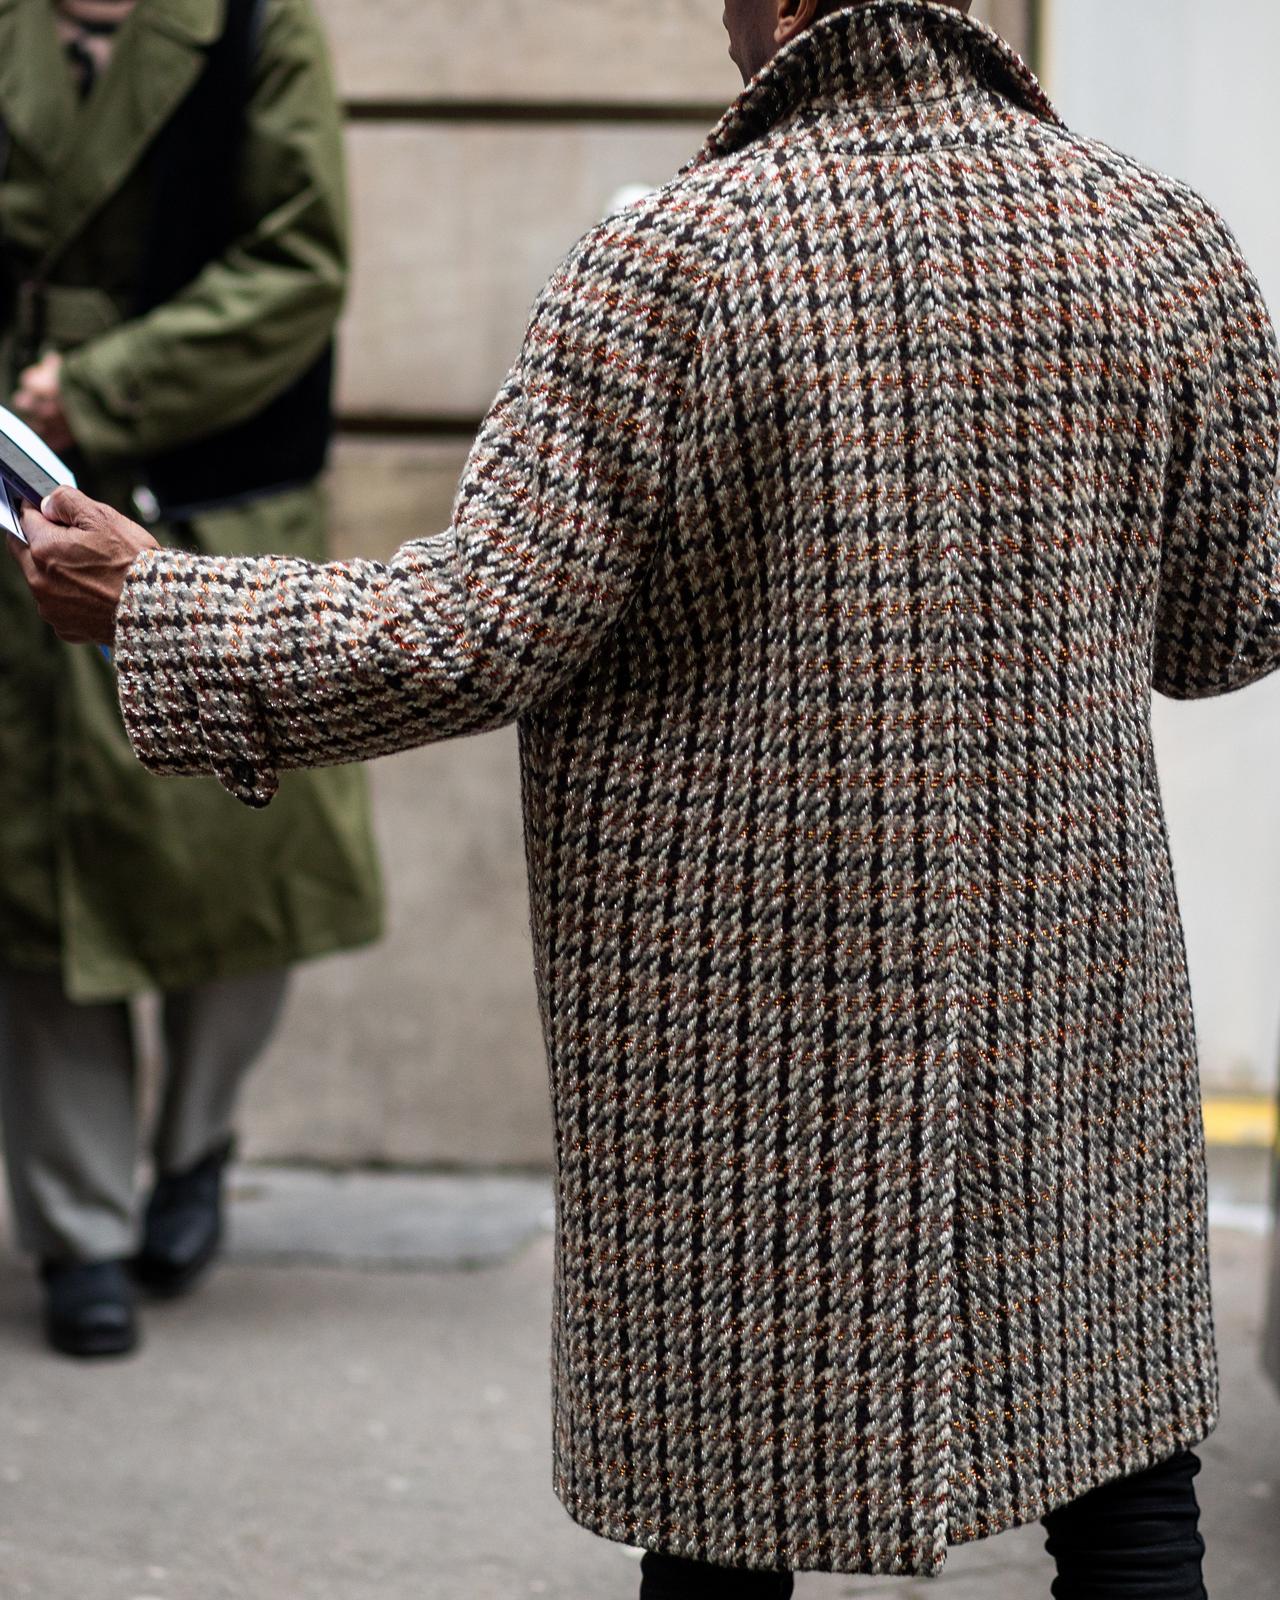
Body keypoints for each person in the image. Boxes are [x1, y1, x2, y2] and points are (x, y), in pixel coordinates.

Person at [10, 0, 1274, 1592]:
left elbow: (473, 631)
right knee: (1131, 1505)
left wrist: (159, 599)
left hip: (743, 1024)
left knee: (724, 1516)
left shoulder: (674, 262)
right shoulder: (1157, 233)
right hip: (1072, 996)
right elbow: (1231, 626)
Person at [0, 0, 382, 1359]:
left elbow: (298, 259)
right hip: (16, 485)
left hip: (204, 478)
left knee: (240, 852)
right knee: (31, 878)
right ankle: (79, 1228)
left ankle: (197, 1141)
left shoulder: (258, 22)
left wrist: (99, 385)